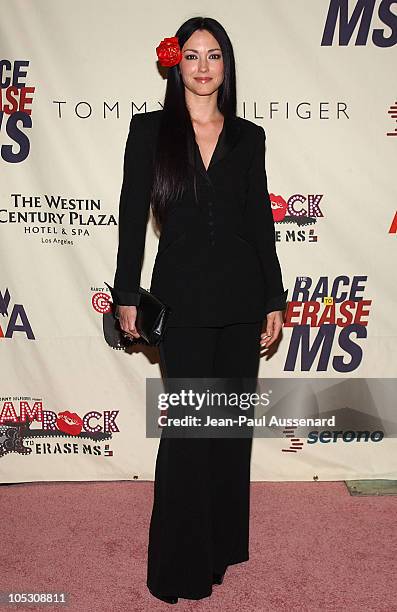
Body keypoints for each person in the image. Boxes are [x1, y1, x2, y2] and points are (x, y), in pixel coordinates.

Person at [111, 16, 288, 605]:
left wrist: (273, 299)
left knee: (229, 432)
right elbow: (132, 218)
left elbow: (260, 223)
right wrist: (125, 295)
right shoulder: (149, 132)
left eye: (215, 54)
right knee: (189, 432)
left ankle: (218, 550)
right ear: (176, 63)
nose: (205, 65)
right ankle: (176, 569)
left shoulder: (248, 137)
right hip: (182, 302)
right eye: (193, 55)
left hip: (241, 303)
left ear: (226, 65)